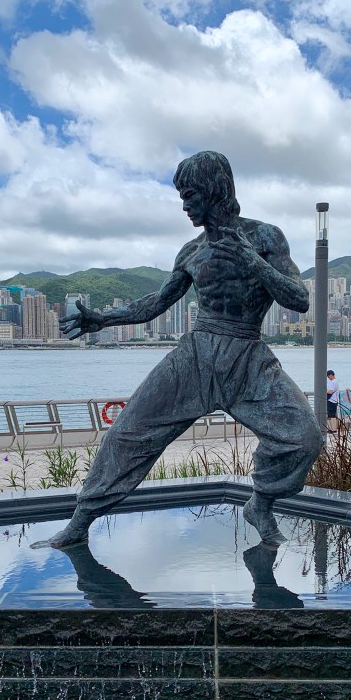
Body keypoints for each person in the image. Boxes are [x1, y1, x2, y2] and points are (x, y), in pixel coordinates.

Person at [46, 150, 323, 548]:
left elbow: (299, 299)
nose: (184, 206)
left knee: (305, 438)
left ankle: (260, 504)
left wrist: (253, 262)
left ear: (214, 191)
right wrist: (103, 319)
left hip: (248, 358)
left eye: (190, 195)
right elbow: (156, 303)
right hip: (195, 357)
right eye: (182, 197)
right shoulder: (191, 251)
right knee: (127, 435)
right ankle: (79, 523)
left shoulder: (265, 237)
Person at [326, 369, 340, 433]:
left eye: (328, 376)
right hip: (333, 400)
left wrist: (324, 391)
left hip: (332, 400)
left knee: (332, 415)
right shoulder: (334, 382)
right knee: (331, 415)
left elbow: (330, 391)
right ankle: (331, 428)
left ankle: (333, 429)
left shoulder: (333, 382)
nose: (328, 377)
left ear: (331, 375)